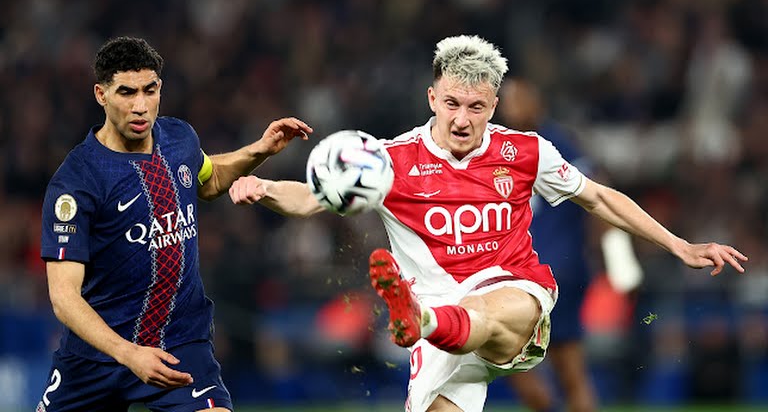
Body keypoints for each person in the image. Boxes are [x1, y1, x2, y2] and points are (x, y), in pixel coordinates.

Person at [227, 35, 747, 412]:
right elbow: (314, 199)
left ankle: (422, 318)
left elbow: (600, 199)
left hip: (517, 299)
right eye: (451, 103)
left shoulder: (525, 152)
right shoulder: (391, 162)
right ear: (432, 98)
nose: (461, 119)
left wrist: (678, 245)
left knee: (501, 310)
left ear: (493, 105)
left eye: (476, 107)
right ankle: (427, 322)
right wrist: (266, 188)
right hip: (443, 342)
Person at [39, 36, 312, 412]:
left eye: (149, 91)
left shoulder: (178, 139)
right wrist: (129, 353)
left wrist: (258, 150)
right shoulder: (76, 183)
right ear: (101, 94)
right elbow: (63, 297)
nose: (140, 106)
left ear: (160, 88)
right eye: (126, 92)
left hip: (179, 342)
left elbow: (209, 179)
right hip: (96, 358)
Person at [498, 78, 642, 412]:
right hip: (527, 272)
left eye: (520, 98)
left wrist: (620, 260)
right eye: (508, 99)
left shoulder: (558, 144)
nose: (512, 105)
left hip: (554, 271)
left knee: (546, 365)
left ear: (538, 104)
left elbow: (599, 197)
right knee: (545, 366)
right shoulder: (500, 148)